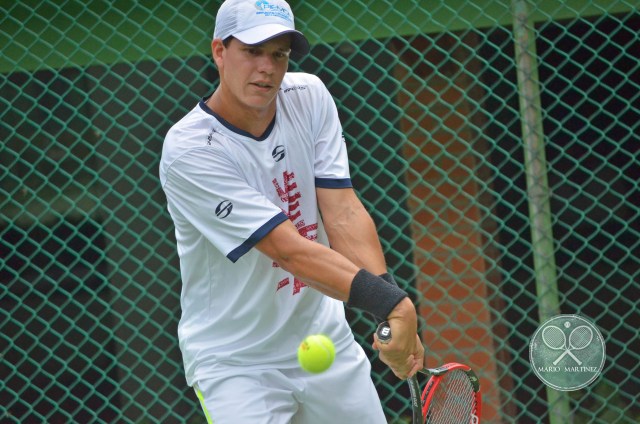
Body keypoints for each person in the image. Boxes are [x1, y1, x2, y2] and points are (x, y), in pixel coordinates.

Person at [159, 0, 424, 422]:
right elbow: (289, 251)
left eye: (278, 54)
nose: (267, 67)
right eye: (252, 51)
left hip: (325, 339)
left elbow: (342, 213)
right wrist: (396, 306)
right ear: (219, 52)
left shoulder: (309, 97)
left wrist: (385, 310)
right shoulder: (189, 151)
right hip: (237, 364)